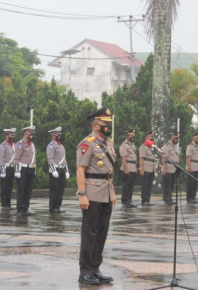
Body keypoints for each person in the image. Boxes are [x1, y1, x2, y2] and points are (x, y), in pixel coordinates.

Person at [76, 106, 117, 286]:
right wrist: (82, 194)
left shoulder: (109, 143)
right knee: (90, 233)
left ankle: (95, 269)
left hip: (106, 193)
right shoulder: (88, 143)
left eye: (108, 123)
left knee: (102, 233)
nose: (107, 127)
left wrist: (113, 193)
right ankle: (85, 271)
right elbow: (80, 170)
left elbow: (109, 172)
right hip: (92, 193)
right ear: (95, 125)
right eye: (104, 124)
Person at [13, 126, 36, 216]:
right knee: (21, 189)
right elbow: (16, 158)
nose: (31, 135)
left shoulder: (32, 144)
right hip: (23, 169)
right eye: (30, 133)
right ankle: (20, 209)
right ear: (26, 134)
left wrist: (34, 169)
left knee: (28, 190)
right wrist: (17, 171)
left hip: (31, 169)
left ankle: (26, 208)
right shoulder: (20, 144)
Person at [47, 126, 69, 213]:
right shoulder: (51, 146)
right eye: (57, 134)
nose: (59, 135)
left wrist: (67, 170)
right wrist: (53, 170)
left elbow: (64, 159)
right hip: (55, 170)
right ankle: (52, 207)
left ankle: (58, 206)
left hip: (62, 169)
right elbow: (50, 159)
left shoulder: (61, 146)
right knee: (54, 189)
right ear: (53, 135)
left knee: (60, 189)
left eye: (60, 133)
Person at [0, 128, 17, 210]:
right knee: (4, 187)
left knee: (10, 187)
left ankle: (8, 204)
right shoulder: (3, 145)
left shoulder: (14, 145)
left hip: (12, 168)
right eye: (11, 135)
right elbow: (1, 158)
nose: (12, 137)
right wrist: (2, 170)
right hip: (5, 168)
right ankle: (4, 204)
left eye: (13, 135)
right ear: (6, 136)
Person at [120, 129, 138, 208]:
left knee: (131, 186)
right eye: (131, 135)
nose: (133, 137)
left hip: (133, 167)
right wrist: (126, 169)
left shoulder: (132, 145)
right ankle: (125, 201)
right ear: (127, 136)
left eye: (133, 135)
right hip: (127, 167)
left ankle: (129, 201)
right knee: (126, 186)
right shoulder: (124, 145)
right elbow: (123, 158)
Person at [139, 130, 156, 206]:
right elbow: (141, 158)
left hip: (152, 168)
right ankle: (144, 200)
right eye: (150, 137)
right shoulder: (143, 147)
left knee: (149, 185)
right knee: (145, 185)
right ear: (146, 138)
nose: (152, 138)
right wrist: (142, 169)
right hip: (146, 167)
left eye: (152, 137)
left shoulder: (152, 147)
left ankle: (148, 199)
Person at [162, 132, 180, 205]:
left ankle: (170, 198)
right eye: (175, 138)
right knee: (167, 184)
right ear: (171, 138)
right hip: (168, 168)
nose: (176, 139)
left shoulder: (174, 146)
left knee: (172, 185)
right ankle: (166, 199)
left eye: (177, 138)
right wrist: (164, 168)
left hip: (174, 168)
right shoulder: (167, 146)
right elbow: (164, 158)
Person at [186, 132, 198, 203]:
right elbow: (188, 157)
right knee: (191, 183)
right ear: (193, 138)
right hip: (192, 166)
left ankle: (193, 197)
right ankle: (189, 198)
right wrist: (188, 167)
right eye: (196, 137)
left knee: (195, 184)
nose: (197, 139)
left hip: (197, 167)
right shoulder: (190, 146)